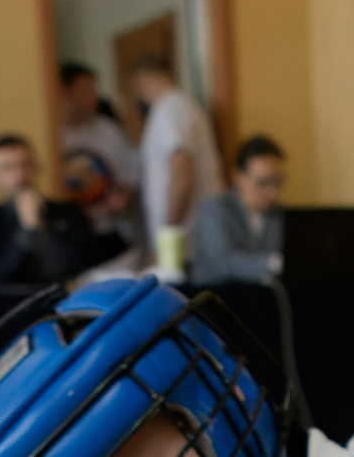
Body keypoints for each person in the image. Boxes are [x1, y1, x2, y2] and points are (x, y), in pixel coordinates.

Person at [0, 133, 124, 286]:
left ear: (36, 167)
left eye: (25, 164)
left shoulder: (69, 213)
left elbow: (75, 268)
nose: (19, 175)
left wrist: (40, 224)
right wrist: (28, 230)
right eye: (8, 168)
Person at [126, 54, 222, 263]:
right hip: (193, 237)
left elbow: (182, 175)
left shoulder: (170, 108)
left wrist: (167, 236)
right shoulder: (182, 106)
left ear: (139, 81)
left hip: (184, 242)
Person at [58, 60, 142, 237]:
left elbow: (131, 175)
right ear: (64, 93)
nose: (95, 96)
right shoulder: (51, 136)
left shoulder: (108, 130)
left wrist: (123, 196)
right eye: (86, 90)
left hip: (111, 229)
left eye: (94, 90)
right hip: (71, 233)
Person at [187, 134, 284, 286]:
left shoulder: (278, 215)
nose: (273, 192)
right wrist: (274, 264)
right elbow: (222, 263)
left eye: (277, 182)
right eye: (263, 182)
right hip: (220, 301)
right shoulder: (213, 210)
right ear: (238, 177)